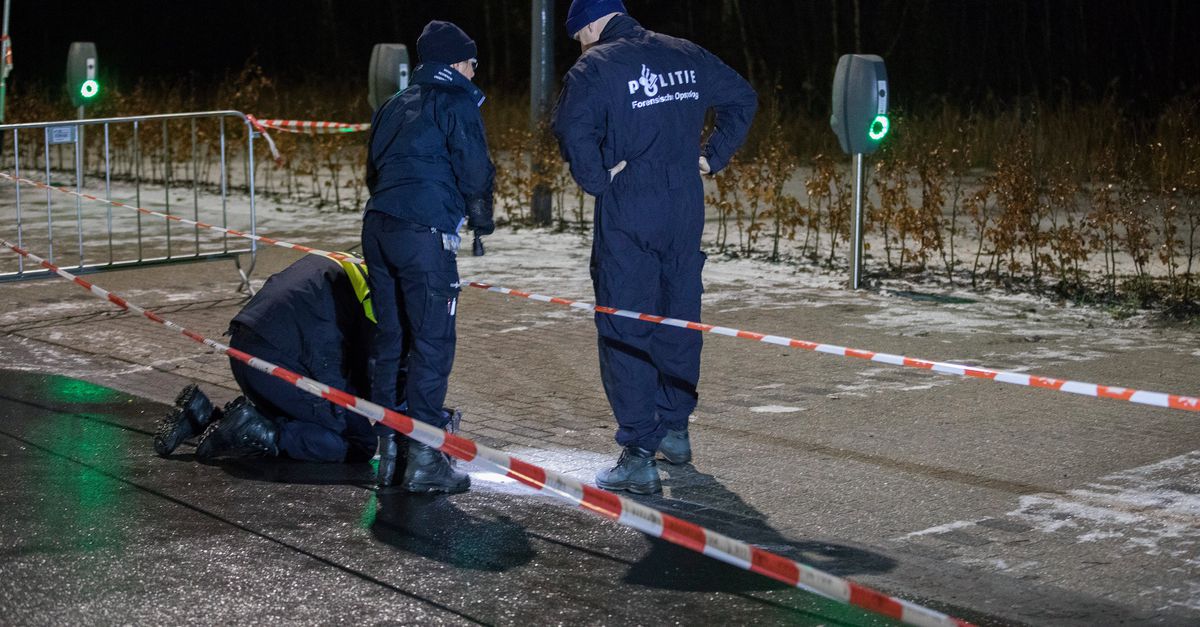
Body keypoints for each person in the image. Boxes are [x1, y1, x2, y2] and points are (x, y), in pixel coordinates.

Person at [552, 0, 757, 494]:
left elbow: (570, 129)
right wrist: (712, 156)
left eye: (578, 34)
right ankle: (676, 428)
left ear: (591, 24)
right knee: (678, 315)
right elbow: (742, 98)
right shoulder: (684, 53)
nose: (580, 44)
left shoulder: (594, 66)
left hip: (630, 205)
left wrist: (597, 179)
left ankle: (640, 452)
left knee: (625, 322)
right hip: (684, 205)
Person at [362, 20, 495, 494]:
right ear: (456, 63)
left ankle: (389, 452)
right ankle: (423, 459)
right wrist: (481, 217)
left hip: (378, 227)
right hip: (424, 233)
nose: (475, 71)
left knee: (391, 340)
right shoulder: (456, 101)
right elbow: (474, 169)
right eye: (472, 62)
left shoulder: (392, 105)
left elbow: (372, 171)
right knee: (432, 342)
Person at [153, 254, 378, 464]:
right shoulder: (379, 294)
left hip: (246, 350)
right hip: (281, 359)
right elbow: (371, 371)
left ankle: (201, 417)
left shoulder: (350, 265)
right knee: (359, 442)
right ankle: (262, 432)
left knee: (307, 416)